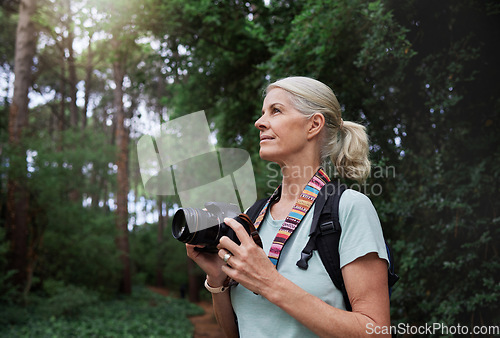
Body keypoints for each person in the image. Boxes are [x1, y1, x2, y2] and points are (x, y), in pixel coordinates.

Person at [186, 76, 391, 337]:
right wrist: (217, 279)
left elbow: (377, 331)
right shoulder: (253, 217)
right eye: (263, 113)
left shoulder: (349, 208)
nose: (259, 122)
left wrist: (270, 283)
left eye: (276, 110)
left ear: (313, 125)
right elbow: (237, 332)